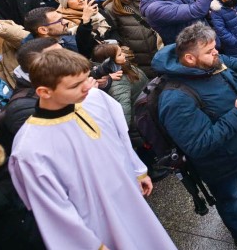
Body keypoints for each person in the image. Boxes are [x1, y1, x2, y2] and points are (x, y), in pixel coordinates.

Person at [9, 49, 175, 250]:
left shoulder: (94, 99)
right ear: (44, 92)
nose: (88, 85)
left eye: (87, 78)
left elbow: (119, 138)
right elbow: (52, 209)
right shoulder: (30, 149)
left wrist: (137, 171)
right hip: (94, 223)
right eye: (76, 85)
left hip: (127, 198)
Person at [151, 24, 237, 250]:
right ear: (189, 58)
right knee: (229, 197)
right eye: (210, 51)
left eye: (214, 48)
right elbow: (199, 144)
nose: (216, 53)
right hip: (221, 164)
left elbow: (222, 60)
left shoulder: (206, 62)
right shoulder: (176, 98)